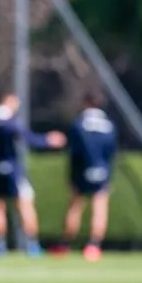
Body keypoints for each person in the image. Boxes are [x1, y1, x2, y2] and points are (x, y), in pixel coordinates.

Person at [0, 92, 67, 256]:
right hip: (14, 169)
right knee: (25, 205)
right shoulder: (9, 122)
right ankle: (32, 245)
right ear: (8, 101)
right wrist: (47, 141)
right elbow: (26, 137)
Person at [53, 91, 117, 262]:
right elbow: (111, 152)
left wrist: (72, 176)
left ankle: (65, 244)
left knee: (75, 206)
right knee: (100, 206)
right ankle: (94, 245)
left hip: (82, 169)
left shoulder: (80, 123)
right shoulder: (109, 125)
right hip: (102, 169)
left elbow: (74, 152)